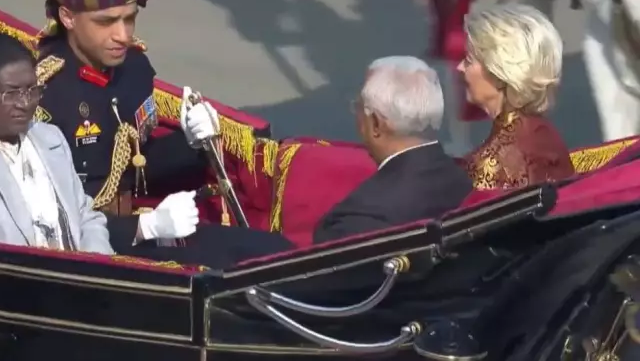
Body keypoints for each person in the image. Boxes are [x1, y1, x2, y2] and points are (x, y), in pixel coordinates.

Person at [0, 34, 199, 255]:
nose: (25, 104)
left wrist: (100, 275)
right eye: (10, 94)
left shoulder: (47, 138)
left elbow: (87, 218)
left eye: (32, 90)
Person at [33, 0, 219, 220]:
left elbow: (135, 166)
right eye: (105, 22)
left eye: (129, 18)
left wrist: (190, 143)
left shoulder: (135, 67)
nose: (123, 35)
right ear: (67, 18)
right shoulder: (42, 92)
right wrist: (141, 230)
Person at [185, 56, 474, 246]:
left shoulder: (355, 221)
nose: (355, 115)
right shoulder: (459, 180)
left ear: (375, 124)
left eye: (358, 107)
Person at [458, 4, 575, 190]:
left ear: (499, 73)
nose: (460, 68)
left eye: (469, 61)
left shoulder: (506, 156)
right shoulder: (536, 131)